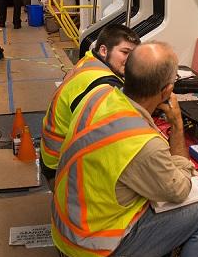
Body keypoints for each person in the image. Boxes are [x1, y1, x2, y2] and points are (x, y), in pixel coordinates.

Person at [51, 42, 198, 257]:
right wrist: (177, 126)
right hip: (97, 246)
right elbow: (179, 190)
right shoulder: (143, 144)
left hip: (66, 227)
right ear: (167, 90)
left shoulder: (99, 97)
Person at [40, 24, 140, 177]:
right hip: (60, 164)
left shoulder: (88, 60)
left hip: (49, 151)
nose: (130, 59)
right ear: (104, 50)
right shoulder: (106, 85)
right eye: (125, 52)